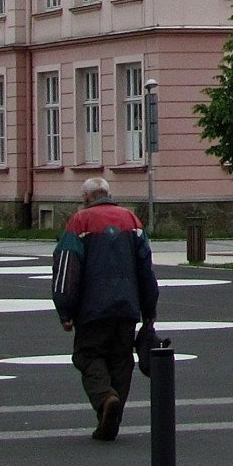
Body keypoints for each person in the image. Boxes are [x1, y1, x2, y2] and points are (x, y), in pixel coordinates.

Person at [50, 177, 160, 441]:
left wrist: (65, 310)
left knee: (87, 356)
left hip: (92, 309)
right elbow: (146, 268)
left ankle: (105, 398)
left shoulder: (80, 222)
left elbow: (67, 270)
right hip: (127, 308)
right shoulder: (131, 221)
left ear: (87, 198)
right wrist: (149, 308)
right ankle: (111, 418)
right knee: (121, 361)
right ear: (108, 194)